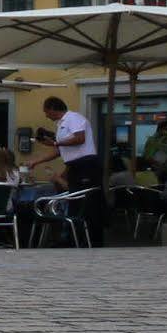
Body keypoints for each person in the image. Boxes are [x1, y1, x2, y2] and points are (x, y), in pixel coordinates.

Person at [38, 96, 104, 247]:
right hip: (75, 166)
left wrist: (55, 142)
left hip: (86, 166)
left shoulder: (73, 118)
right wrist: (36, 161)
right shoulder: (61, 124)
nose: (46, 115)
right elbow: (60, 150)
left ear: (54, 108)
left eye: (47, 112)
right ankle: (74, 237)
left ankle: (89, 239)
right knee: (74, 202)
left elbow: (79, 138)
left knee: (85, 202)